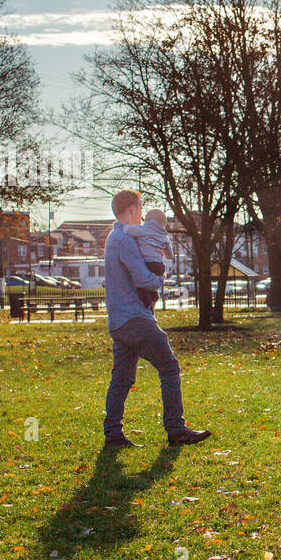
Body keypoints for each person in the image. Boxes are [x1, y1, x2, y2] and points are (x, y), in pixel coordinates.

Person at [102, 189, 211, 449]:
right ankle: (176, 429)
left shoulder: (112, 238)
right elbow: (142, 278)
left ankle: (113, 434)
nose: (142, 215)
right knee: (169, 368)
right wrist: (159, 280)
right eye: (140, 209)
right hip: (135, 319)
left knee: (122, 378)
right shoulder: (125, 240)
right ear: (130, 209)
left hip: (118, 321)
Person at [124, 208, 171, 309]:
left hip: (147, 263)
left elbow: (127, 230)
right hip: (159, 265)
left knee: (140, 282)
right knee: (153, 284)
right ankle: (154, 297)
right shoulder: (163, 236)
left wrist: (127, 224)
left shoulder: (142, 230)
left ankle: (145, 300)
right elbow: (170, 255)